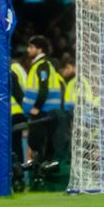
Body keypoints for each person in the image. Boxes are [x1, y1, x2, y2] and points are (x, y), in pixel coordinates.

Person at [22, 35, 65, 164]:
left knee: (38, 144)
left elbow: (43, 88)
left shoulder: (43, 66)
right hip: (44, 112)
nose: (28, 50)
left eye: (31, 47)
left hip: (43, 112)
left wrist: (36, 107)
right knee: (40, 145)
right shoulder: (39, 65)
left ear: (40, 50)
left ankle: (41, 174)